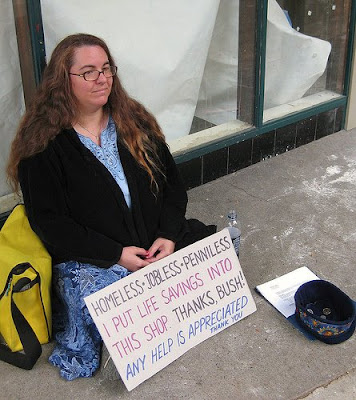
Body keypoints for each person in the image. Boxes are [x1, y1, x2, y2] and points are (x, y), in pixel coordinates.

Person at [7, 33, 216, 380]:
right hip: (92, 257)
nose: (102, 78)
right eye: (88, 72)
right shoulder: (43, 145)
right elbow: (51, 224)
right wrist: (116, 254)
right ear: (64, 81)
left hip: (152, 244)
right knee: (111, 296)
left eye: (106, 68)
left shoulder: (134, 121)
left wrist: (166, 235)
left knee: (211, 252)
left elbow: (173, 188)